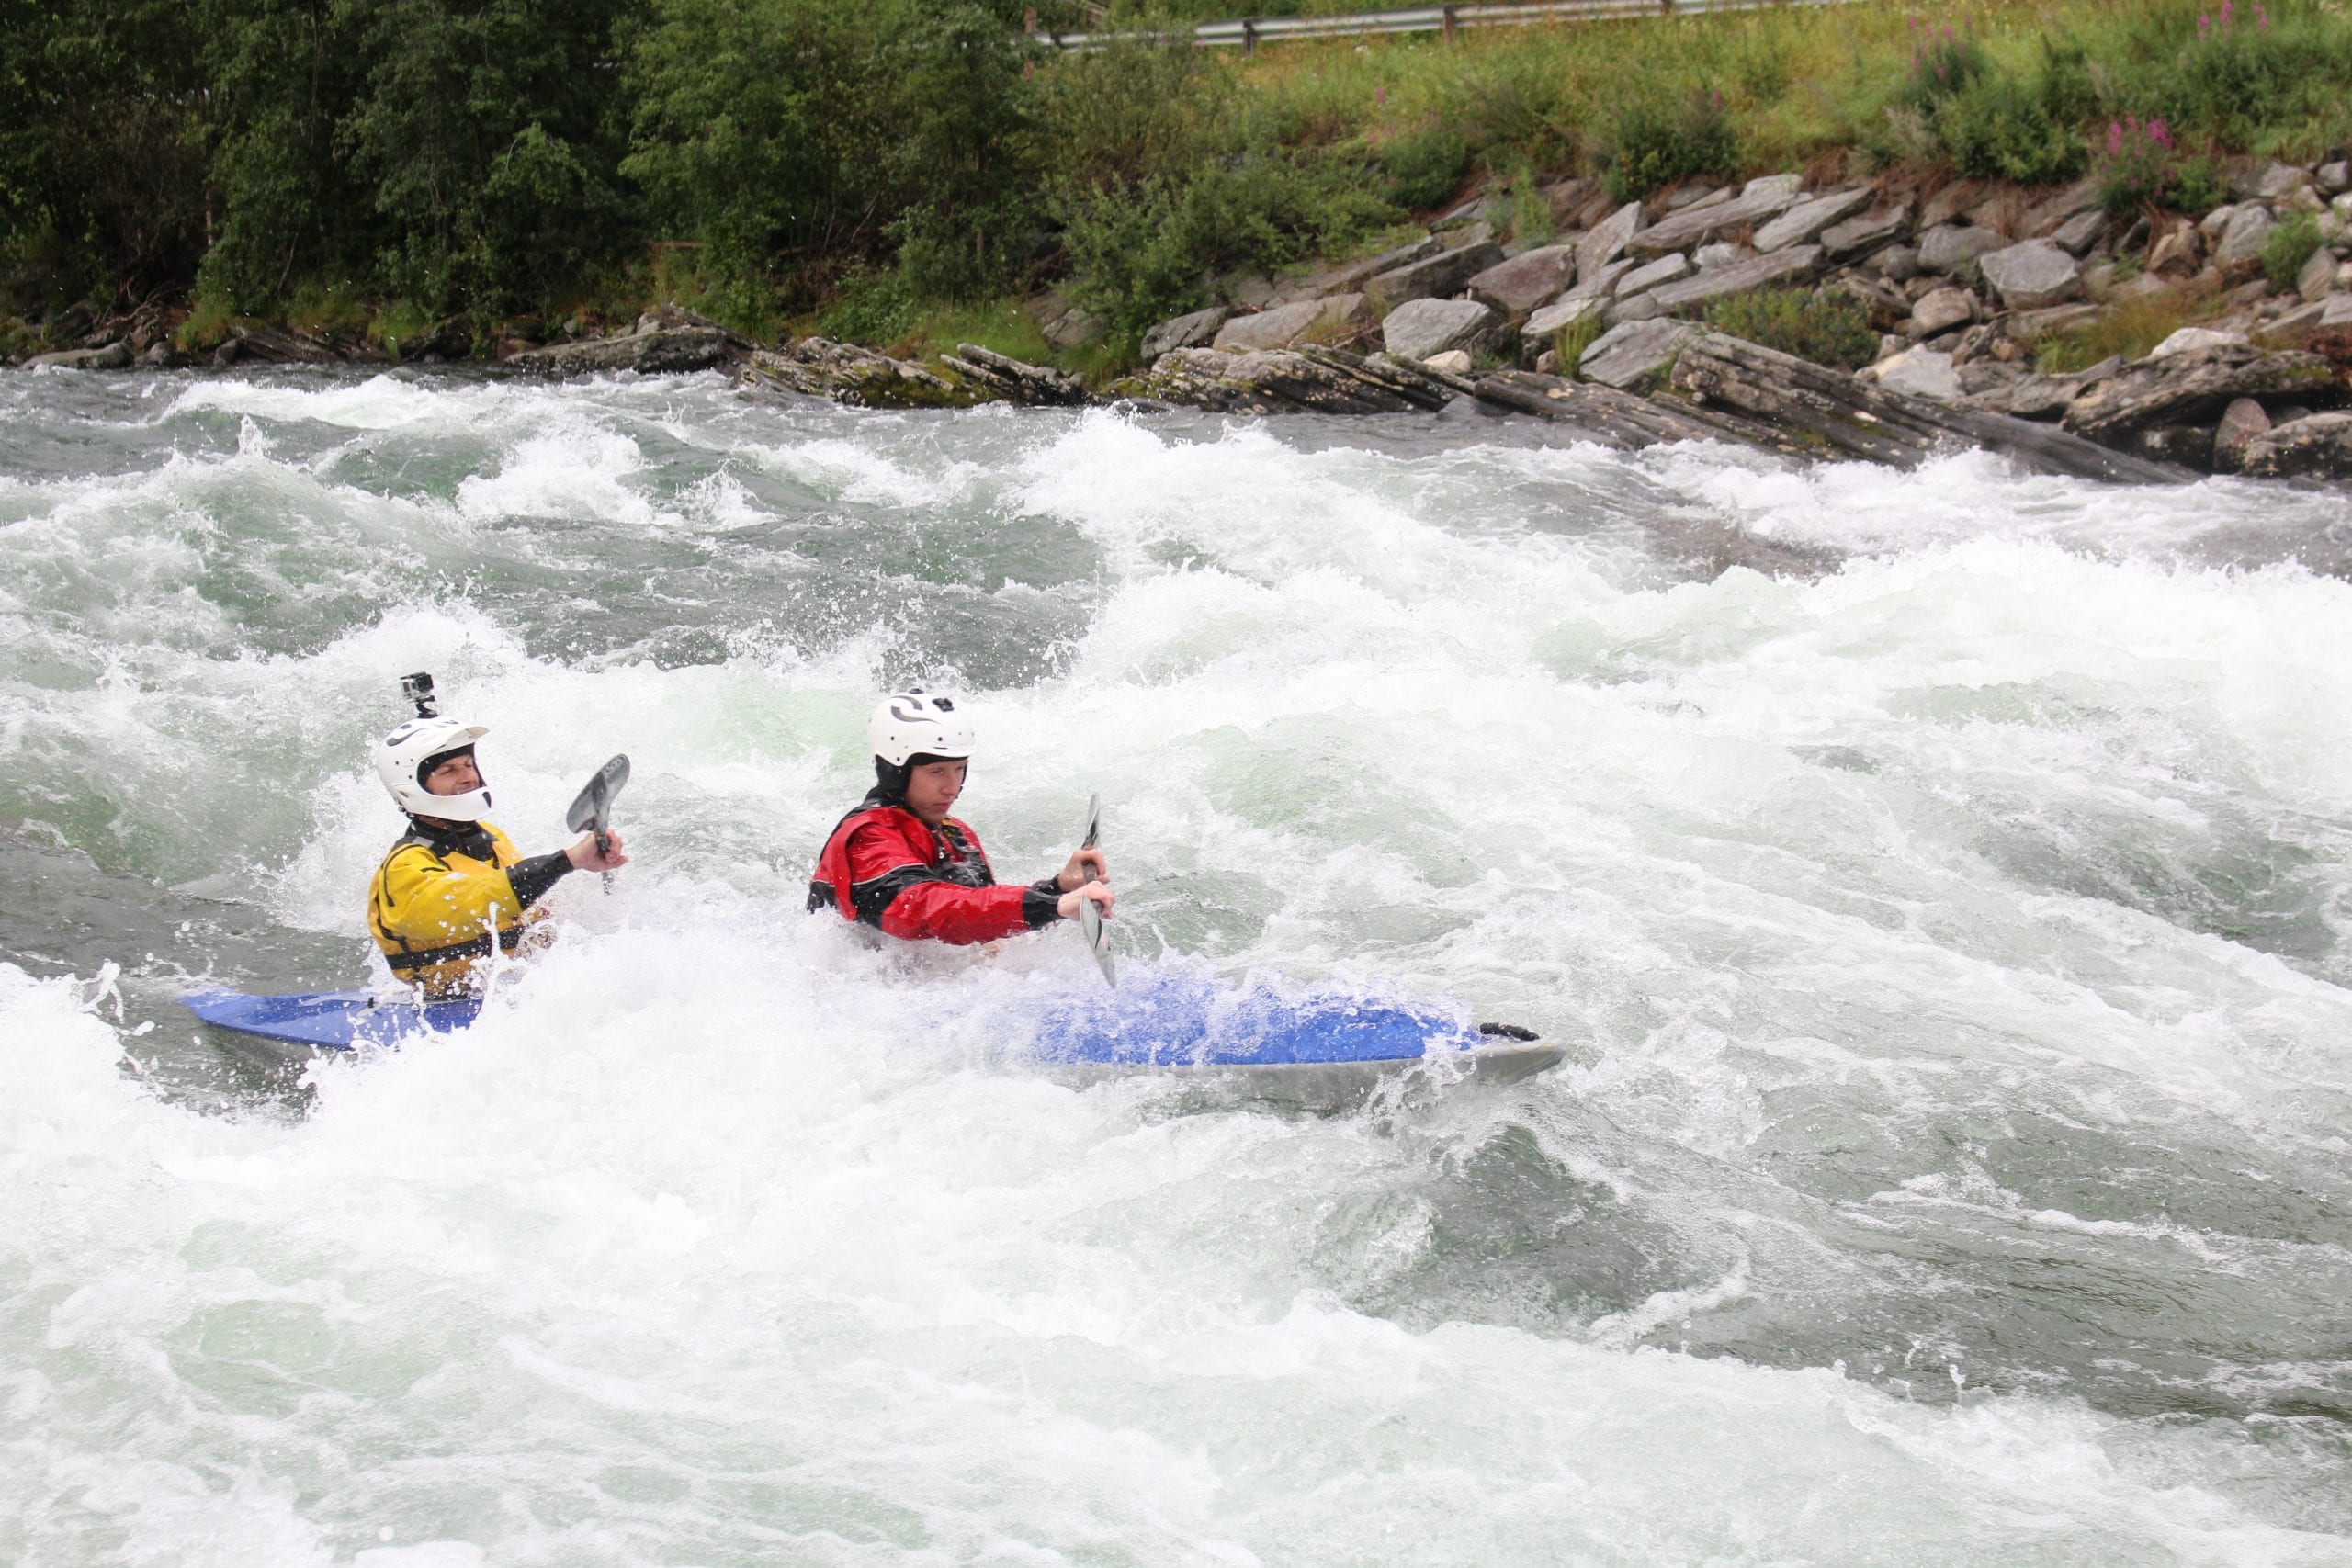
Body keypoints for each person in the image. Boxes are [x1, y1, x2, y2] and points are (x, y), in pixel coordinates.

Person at [365, 674, 627, 998]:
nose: (467, 778)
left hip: (509, 992)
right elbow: (481, 900)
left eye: (467, 764)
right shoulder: (404, 869)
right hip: (445, 1003)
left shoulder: (490, 840)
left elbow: (534, 915)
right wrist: (568, 860)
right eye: (448, 771)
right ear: (410, 788)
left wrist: (592, 866)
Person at [807, 690, 1113, 945]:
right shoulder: (867, 838)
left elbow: (979, 916)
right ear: (895, 772)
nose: (953, 788)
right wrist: (1053, 906)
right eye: (937, 771)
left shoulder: (952, 831)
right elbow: (926, 910)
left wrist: (1058, 889)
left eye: (959, 768)